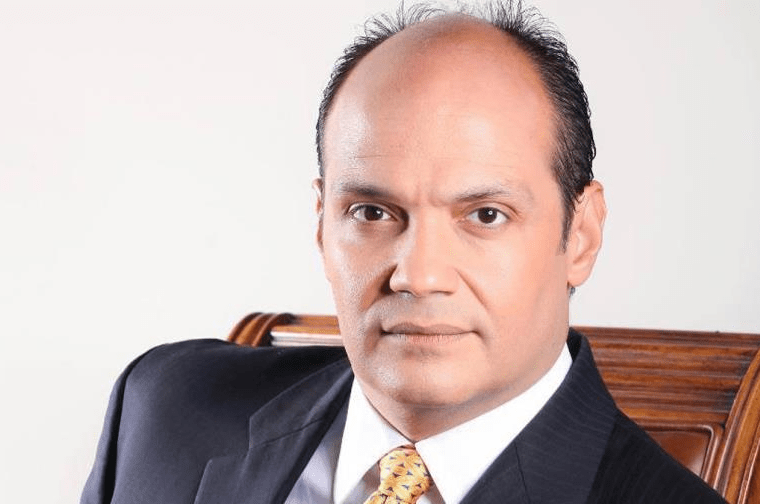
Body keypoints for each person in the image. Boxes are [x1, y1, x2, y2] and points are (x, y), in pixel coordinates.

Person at [81, 2, 727, 503]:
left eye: (485, 215)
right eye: (372, 212)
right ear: (321, 225)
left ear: (580, 236)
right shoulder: (165, 408)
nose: (418, 275)